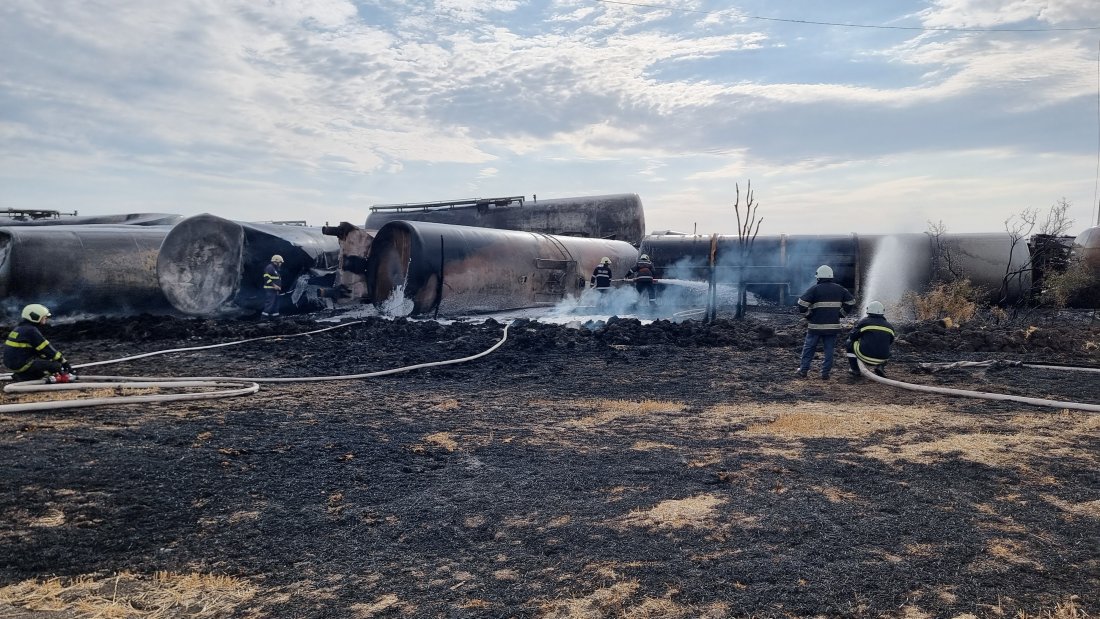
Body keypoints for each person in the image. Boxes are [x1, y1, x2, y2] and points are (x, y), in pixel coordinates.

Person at [796, 265, 856, 380]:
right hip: (832, 327)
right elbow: (851, 301)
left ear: (818, 277)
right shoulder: (840, 289)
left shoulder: (814, 289)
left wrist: (808, 315)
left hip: (815, 327)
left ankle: (803, 371)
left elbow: (801, 304)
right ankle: (825, 373)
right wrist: (841, 314)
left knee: (809, 348)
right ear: (831, 277)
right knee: (829, 350)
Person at [4, 304, 75, 383]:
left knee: (45, 358)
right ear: (35, 316)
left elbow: (36, 350)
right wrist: (64, 362)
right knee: (56, 366)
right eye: (44, 317)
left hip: (13, 363)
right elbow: (47, 349)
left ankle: (22, 375)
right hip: (21, 364)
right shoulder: (31, 331)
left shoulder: (20, 328)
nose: (46, 319)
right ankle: (26, 377)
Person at [846, 300, 896, 378]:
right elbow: (890, 342)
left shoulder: (864, 322)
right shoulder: (889, 326)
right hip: (883, 358)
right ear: (882, 312)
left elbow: (852, 336)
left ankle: (855, 369)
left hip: (865, 356)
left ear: (868, 311)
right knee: (886, 347)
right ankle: (880, 366)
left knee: (849, 342)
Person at [262, 254, 284, 318]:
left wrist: (278, 287)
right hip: (270, 289)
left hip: (275, 290)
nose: (281, 264)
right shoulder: (270, 267)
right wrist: (274, 285)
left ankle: (275, 317)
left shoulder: (275, 269)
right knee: (270, 303)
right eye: (280, 262)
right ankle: (264, 318)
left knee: (275, 304)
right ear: (275, 261)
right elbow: (266, 278)